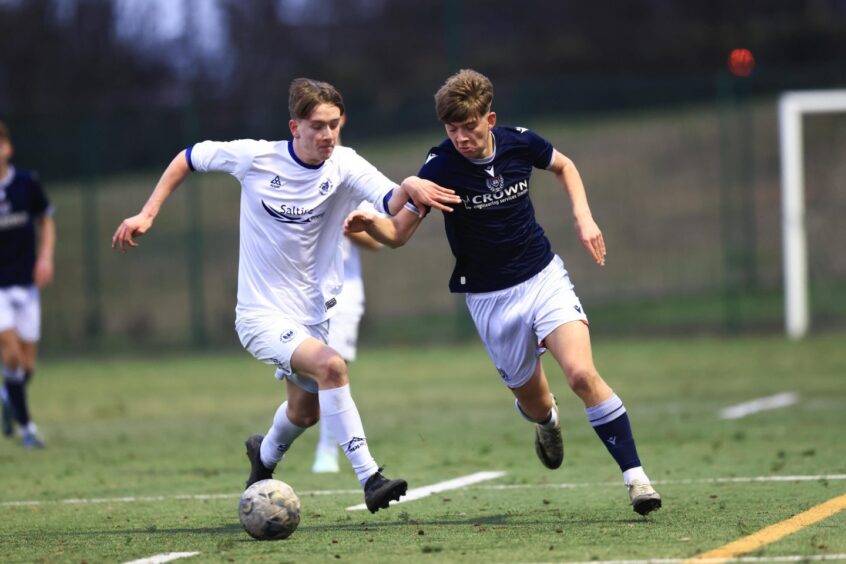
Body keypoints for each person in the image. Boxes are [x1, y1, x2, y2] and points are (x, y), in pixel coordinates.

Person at [112, 78, 460, 513]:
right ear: (294, 126)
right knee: (332, 367)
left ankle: (264, 456)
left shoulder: (345, 164)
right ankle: (370, 478)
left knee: (305, 412)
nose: (327, 135)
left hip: (313, 315)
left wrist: (412, 186)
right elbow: (188, 157)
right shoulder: (255, 157)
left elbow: (391, 208)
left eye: (333, 125)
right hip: (259, 314)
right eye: (316, 126)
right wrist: (147, 212)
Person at [345, 69, 662, 516]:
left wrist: (584, 216)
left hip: (543, 276)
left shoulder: (518, 142)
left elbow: (564, 165)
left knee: (581, 375)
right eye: (451, 130)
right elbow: (398, 235)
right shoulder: (440, 167)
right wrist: (370, 224)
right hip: (491, 300)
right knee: (533, 403)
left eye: (469, 128)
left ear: (489, 119)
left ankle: (637, 480)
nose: (461, 138)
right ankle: (546, 419)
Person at [0, 120, 55, 449]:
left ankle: (7, 395)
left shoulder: (26, 183)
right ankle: (28, 428)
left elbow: (46, 219)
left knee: (28, 364)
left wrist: (45, 258)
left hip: (26, 283)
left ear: (8, 149)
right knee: (11, 353)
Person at [312, 222, 382, 474]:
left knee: (333, 370)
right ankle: (271, 450)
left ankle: (328, 450)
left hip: (342, 298)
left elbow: (376, 241)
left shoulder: (351, 185)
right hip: (298, 294)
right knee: (303, 388)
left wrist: (344, 225)